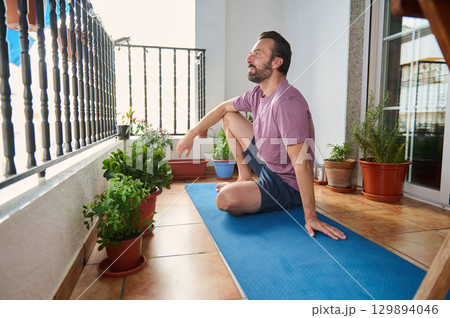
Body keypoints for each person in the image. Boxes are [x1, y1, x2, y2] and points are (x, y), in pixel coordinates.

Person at [177, 31, 346, 240]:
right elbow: (222, 108)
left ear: (276, 62)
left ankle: (272, 196)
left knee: (225, 200)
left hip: (285, 184)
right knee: (229, 116)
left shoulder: (287, 103)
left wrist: (310, 216)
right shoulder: (258, 94)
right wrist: (191, 134)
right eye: (250, 53)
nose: (249, 59)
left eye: (257, 53)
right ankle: (244, 178)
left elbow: (301, 163)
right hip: (268, 164)